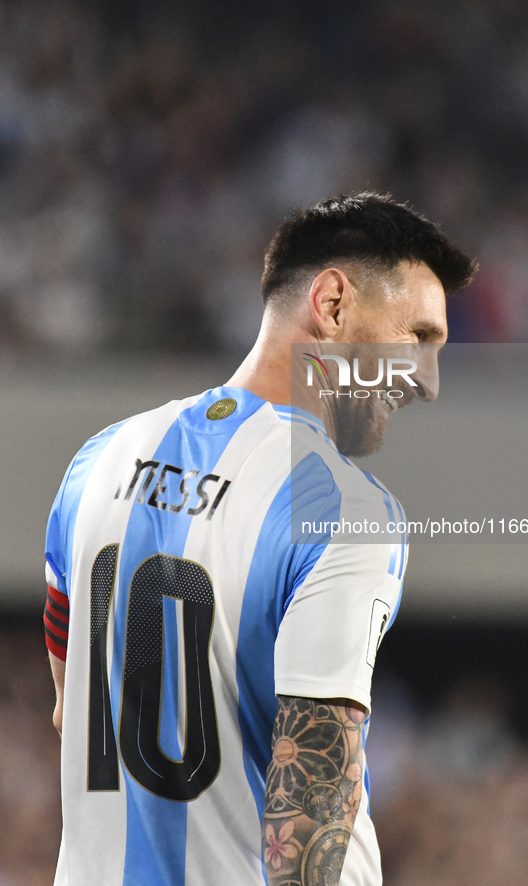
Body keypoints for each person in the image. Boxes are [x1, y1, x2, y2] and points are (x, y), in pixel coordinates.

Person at [44, 192, 474, 886]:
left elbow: (72, 712)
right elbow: (305, 841)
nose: (425, 382)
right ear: (331, 303)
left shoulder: (100, 457)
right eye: (417, 338)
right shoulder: (342, 509)